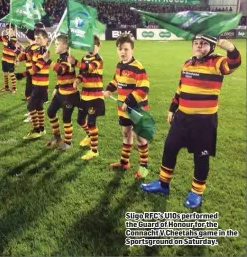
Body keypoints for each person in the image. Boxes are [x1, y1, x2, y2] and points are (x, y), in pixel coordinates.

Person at [141, 35, 242, 209]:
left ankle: (196, 192)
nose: (199, 46)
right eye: (196, 43)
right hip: (182, 118)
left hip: (204, 121)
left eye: (203, 44)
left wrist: (231, 48)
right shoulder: (187, 64)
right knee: (170, 148)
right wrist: (172, 109)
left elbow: (234, 63)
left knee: (201, 156)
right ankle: (163, 184)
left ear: (211, 46)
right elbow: (180, 89)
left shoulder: (217, 62)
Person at [104, 33, 150, 178]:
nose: (122, 52)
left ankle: (144, 168)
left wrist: (129, 100)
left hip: (137, 109)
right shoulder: (119, 65)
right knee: (126, 133)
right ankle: (124, 162)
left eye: (126, 49)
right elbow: (116, 80)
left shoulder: (138, 67)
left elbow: (144, 88)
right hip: (123, 109)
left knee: (140, 138)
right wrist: (109, 89)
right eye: (120, 49)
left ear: (132, 50)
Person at [68, 35, 105, 161]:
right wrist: (77, 80)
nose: (91, 48)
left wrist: (75, 63)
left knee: (91, 123)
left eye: (94, 46)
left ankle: (94, 151)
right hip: (84, 96)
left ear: (99, 47)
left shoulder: (99, 59)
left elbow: (88, 68)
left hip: (95, 97)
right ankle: (89, 135)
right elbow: (83, 73)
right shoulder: (84, 58)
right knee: (80, 120)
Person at [45, 35, 80, 150]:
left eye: (57, 44)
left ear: (65, 45)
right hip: (61, 93)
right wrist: (56, 87)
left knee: (66, 118)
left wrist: (48, 61)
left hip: (70, 95)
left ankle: (68, 143)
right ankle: (57, 137)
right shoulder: (61, 58)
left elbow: (61, 70)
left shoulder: (67, 59)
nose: (55, 46)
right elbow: (62, 77)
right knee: (50, 112)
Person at [23, 27, 50, 140]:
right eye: (36, 38)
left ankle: (36, 130)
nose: (37, 40)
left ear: (46, 39)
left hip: (40, 84)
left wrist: (22, 74)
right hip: (38, 83)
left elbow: (37, 67)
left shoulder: (43, 51)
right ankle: (42, 128)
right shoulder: (39, 51)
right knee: (39, 106)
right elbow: (30, 59)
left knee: (30, 106)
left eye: (39, 38)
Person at [0, 26, 21, 93]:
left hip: (11, 59)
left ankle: (14, 88)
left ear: (14, 31)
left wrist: (17, 59)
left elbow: (17, 50)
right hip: (4, 58)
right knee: (5, 73)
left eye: (11, 30)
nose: (9, 32)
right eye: (8, 30)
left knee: (11, 74)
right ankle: (6, 87)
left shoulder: (14, 39)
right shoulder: (5, 37)